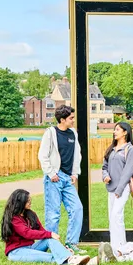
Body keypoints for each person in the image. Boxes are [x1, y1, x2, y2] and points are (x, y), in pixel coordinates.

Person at [1, 189, 94, 265]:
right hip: (17, 252)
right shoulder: (14, 219)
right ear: (20, 202)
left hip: (31, 248)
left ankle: (70, 257)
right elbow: (27, 233)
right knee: (49, 257)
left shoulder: (30, 214)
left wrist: (60, 246)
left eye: (30, 200)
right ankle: (77, 261)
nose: (30, 202)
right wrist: (49, 234)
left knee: (50, 239)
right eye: (28, 201)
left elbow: (41, 231)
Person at [38, 105, 85, 254]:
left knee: (77, 208)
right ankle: (54, 246)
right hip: (54, 179)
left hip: (68, 179)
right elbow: (43, 155)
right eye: (71, 118)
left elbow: (77, 155)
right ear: (62, 119)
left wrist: (75, 174)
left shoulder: (73, 134)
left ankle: (71, 243)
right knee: (53, 214)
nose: (73, 121)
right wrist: (52, 174)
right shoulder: (51, 133)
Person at [101, 122, 133, 250]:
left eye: (117, 129)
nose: (114, 132)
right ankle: (117, 245)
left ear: (125, 132)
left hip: (122, 189)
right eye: (114, 129)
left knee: (116, 215)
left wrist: (120, 189)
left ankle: (119, 247)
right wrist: (105, 176)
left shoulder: (130, 149)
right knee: (113, 217)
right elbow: (104, 167)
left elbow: (128, 171)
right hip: (110, 188)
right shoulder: (111, 149)